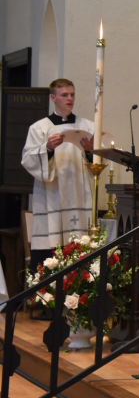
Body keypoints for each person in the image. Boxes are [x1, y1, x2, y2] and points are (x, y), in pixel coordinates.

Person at [21, 79, 95, 272]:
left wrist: (90, 151)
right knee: (49, 252)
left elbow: (99, 163)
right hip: (51, 195)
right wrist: (47, 148)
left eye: (72, 94)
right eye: (64, 95)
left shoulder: (87, 126)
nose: (70, 98)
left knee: (80, 251)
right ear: (53, 98)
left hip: (78, 194)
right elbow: (27, 160)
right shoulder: (39, 128)